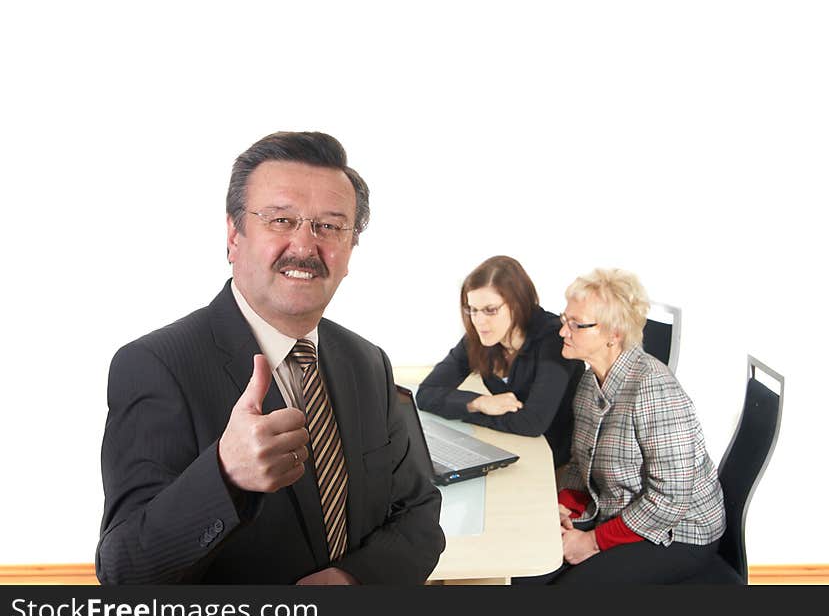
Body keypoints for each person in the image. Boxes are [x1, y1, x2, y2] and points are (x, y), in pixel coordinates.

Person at [96, 132, 445, 584]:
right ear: (233, 235)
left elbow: (420, 513)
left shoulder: (368, 363)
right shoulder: (155, 366)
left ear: (350, 249)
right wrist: (223, 475)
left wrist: (352, 578)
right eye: (281, 220)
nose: (304, 246)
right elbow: (124, 572)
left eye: (330, 226)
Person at [520, 268, 725, 584]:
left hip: (679, 533)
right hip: (616, 513)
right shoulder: (590, 382)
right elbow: (580, 463)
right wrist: (565, 506)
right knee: (524, 573)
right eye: (565, 320)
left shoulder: (654, 391)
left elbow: (670, 500)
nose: (563, 332)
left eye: (576, 324)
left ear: (613, 334)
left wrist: (592, 542)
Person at [416, 255, 583, 467]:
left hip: (553, 461)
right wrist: (480, 403)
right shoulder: (481, 336)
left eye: (490, 310)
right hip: (509, 445)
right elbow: (426, 393)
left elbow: (532, 423)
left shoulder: (553, 338)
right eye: (472, 309)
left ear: (518, 303)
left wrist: (464, 411)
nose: (479, 320)